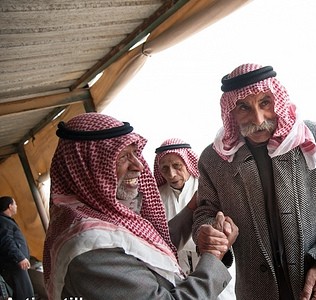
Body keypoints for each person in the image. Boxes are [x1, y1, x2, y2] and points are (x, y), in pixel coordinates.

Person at [192, 63, 316, 300]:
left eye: (265, 103)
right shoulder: (214, 160)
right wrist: (207, 232)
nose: (257, 118)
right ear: (230, 113)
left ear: (277, 99)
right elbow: (205, 213)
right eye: (244, 107)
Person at [43, 112, 238, 300]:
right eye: (122, 157)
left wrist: (193, 206)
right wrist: (213, 255)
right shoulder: (92, 247)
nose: (139, 166)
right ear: (86, 167)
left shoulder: (101, 212)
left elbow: (151, 244)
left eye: (135, 153)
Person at [153, 138, 236, 299]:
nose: (171, 174)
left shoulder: (205, 187)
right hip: (177, 263)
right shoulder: (156, 195)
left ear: (187, 163)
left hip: (210, 259)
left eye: (177, 166)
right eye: (165, 168)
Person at [0, 196, 35, 300]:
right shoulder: (3, 221)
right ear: (10, 206)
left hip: (13, 265)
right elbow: (7, 241)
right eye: (15, 204)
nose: (16, 206)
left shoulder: (5, 221)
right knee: (25, 294)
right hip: (14, 265)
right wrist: (20, 257)